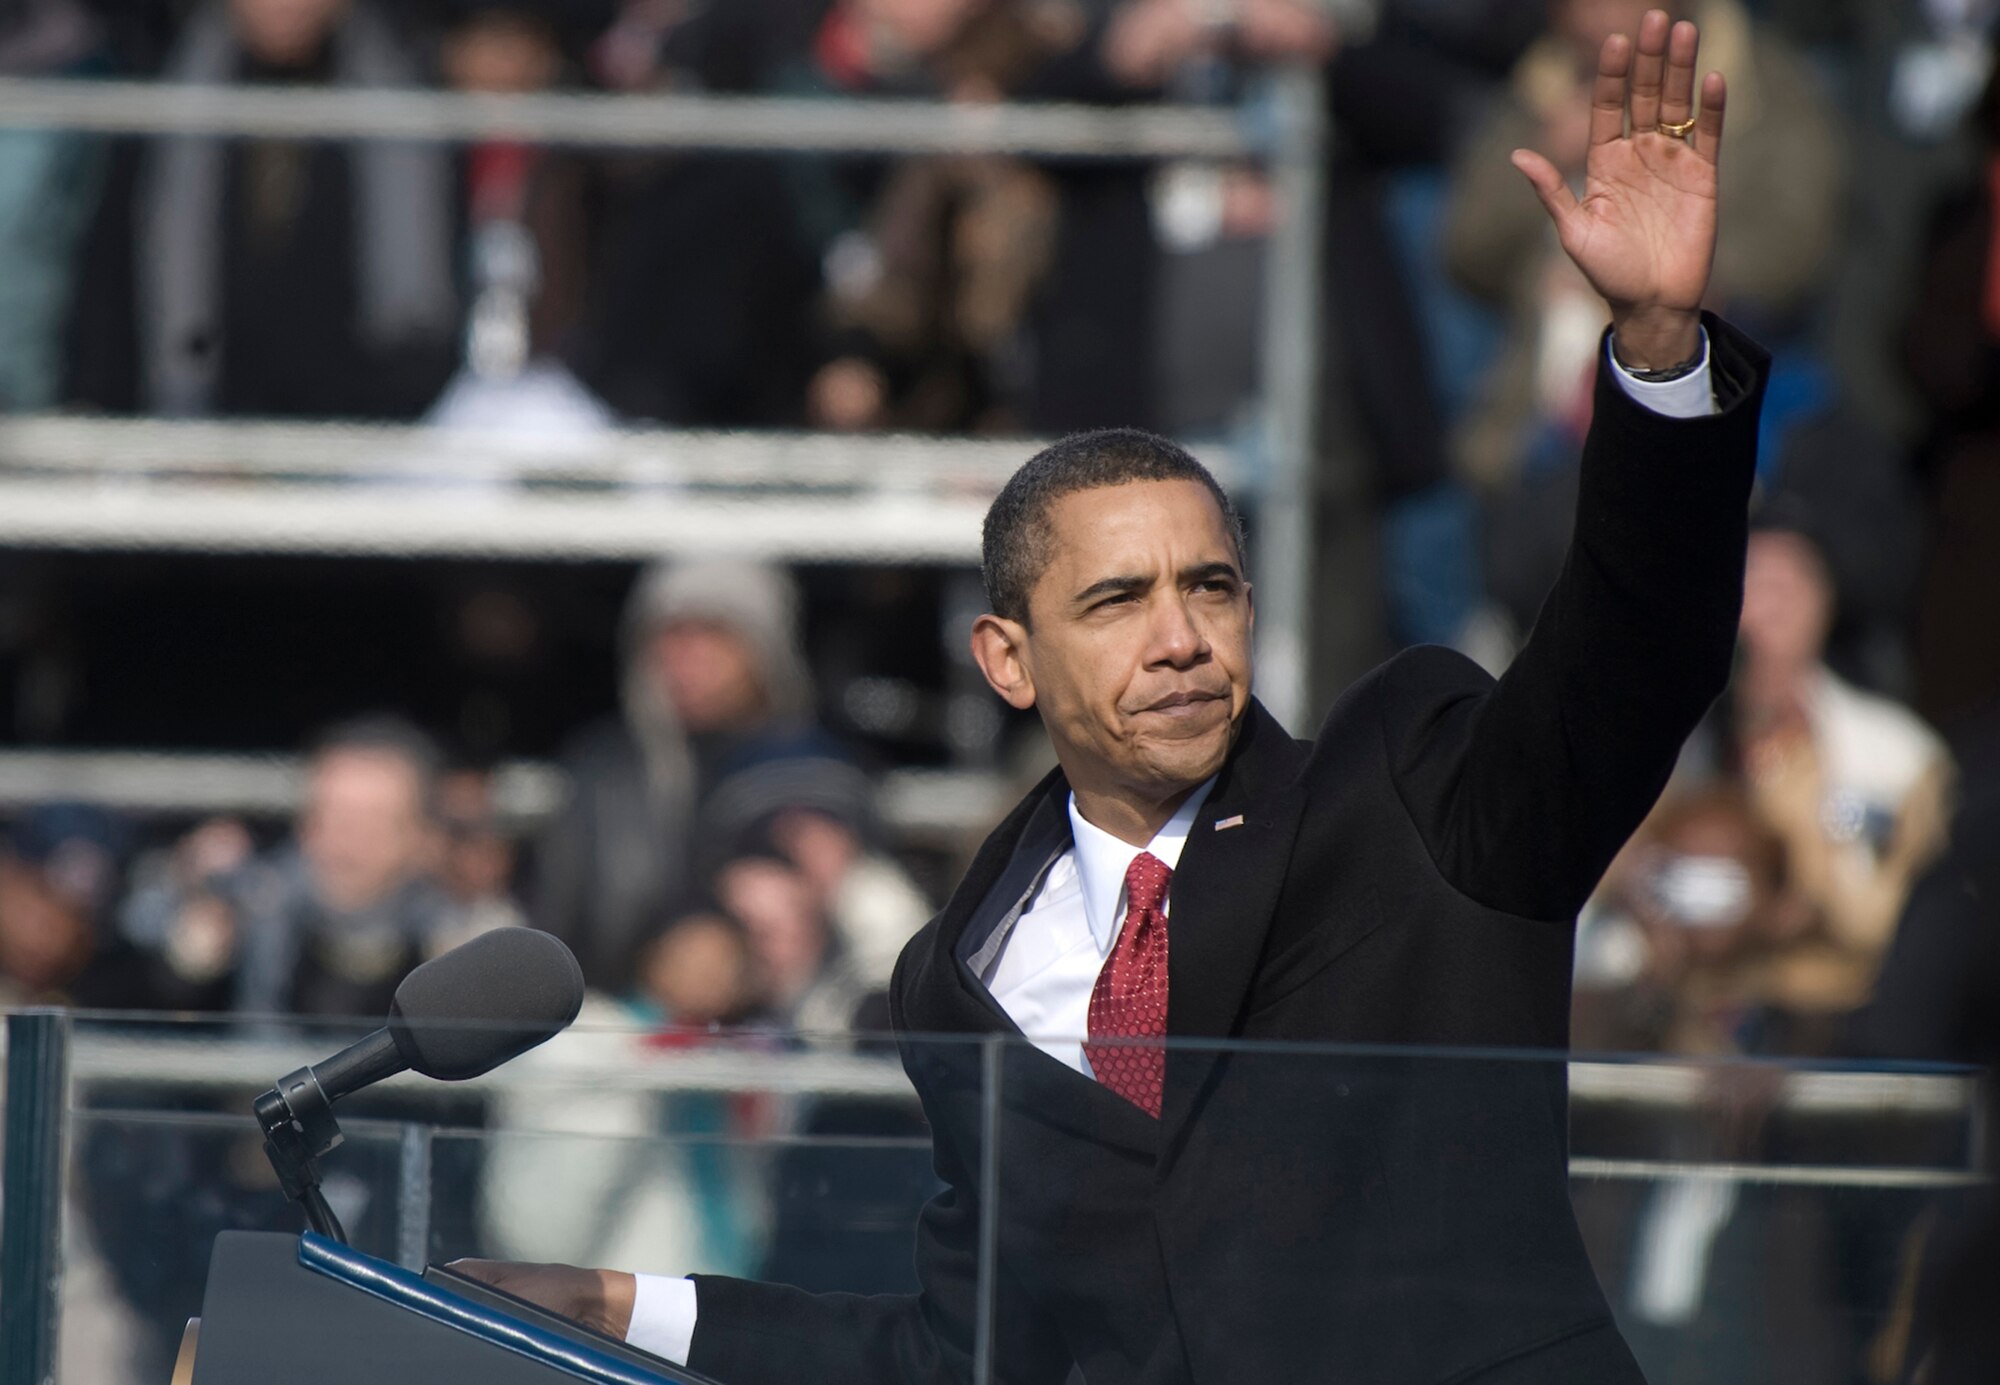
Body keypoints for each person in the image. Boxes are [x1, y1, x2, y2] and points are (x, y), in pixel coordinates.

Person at [456, 14, 1764, 1382]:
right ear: (1006, 660)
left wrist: (1661, 349)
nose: (1182, 636)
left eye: (1210, 587)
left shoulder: (1408, 794)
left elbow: (1637, 654)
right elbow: (959, 1356)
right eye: (1117, 600)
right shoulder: (958, 974)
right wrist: (622, 1307)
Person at [63, 0, 459, 419]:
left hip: (364, 437)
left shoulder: (408, 101)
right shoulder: (162, 97)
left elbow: (419, 320)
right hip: (193, 437)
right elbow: (109, 293)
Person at [531, 558, 875, 993]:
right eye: (670, 632)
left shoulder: (816, 772)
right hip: (616, 1021)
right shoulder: (602, 772)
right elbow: (557, 919)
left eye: (714, 631)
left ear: (764, 646)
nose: (687, 656)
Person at [121, 715, 452, 1016]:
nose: (346, 843)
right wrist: (186, 961)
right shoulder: (251, 901)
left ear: (423, 837)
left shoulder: (452, 942)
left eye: (373, 823)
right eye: (331, 816)